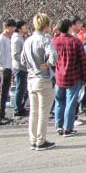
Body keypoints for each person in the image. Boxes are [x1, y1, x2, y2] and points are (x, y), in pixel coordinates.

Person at [21, 13, 57, 151]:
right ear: (46, 25)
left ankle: (33, 139)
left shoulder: (27, 40)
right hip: (43, 78)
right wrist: (48, 63)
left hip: (31, 79)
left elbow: (22, 60)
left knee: (34, 112)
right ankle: (41, 140)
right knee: (43, 112)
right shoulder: (45, 40)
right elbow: (53, 55)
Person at [52, 18, 86, 137]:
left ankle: (58, 126)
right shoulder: (75, 42)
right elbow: (83, 61)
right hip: (73, 76)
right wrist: (85, 77)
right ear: (69, 27)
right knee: (70, 103)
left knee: (59, 102)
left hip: (58, 77)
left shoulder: (54, 41)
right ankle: (68, 128)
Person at [0, 19, 16, 125]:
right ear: (7, 27)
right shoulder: (1, 39)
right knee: (1, 92)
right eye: (12, 27)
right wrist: (3, 68)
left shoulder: (7, 38)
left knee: (5, 92)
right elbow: (0, 56)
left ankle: (2, 114)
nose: (14, 29)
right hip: (2, 69)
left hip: (7, 68)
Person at [11, 20, 29, 118]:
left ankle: (21, 107)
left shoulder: (21, 38)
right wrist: (24, 61)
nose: (26, 27)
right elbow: (15, 55)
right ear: (19, 28)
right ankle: (17, 109)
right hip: (19, 67)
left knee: (22, 88)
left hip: (22, 67)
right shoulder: (16, 39)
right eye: (24, 26)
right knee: (20, 88)